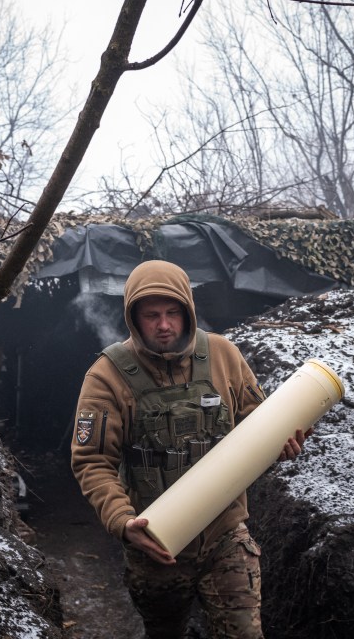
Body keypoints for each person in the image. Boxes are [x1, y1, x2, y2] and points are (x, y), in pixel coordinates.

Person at [70, 260, 309, 639]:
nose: (163, 325)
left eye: (172, 313)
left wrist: (282, 445)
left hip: (225, 536)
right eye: (151, 316)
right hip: (156, 543)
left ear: (188, 311)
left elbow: (259, 426)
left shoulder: (223, 355)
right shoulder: (107, 375)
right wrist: (122, 521)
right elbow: (93, 461)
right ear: (133, 317)